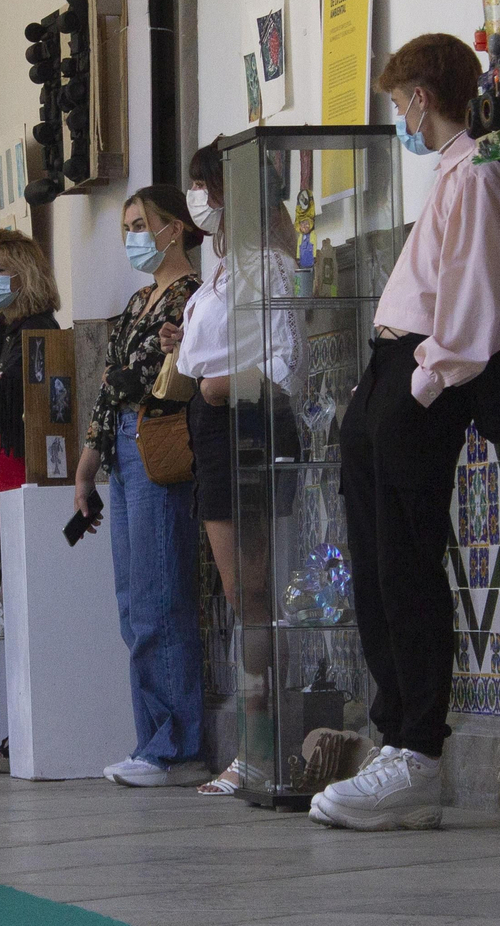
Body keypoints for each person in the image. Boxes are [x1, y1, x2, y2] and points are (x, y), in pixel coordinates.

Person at [304, 33, 500, 831]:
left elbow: (479, 304)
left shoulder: (474, 173)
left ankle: (418, 747)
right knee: (375, 566)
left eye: (398, 100)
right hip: (388, 374)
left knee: (406, 564)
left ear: (420, 99)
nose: (397, 114)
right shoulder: (447, 174)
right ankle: (394, 727)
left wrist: (422, 384)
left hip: (421, 382)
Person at [165, 146, 306, 797]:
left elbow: (285, 367)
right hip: (215, 426)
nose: (196, 197)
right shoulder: (223, 272)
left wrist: (220, 386)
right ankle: (257, 746)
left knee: (254, 596)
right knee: (239, 596)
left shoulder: (268, 267)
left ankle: (263, 746)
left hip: (249, 426)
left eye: (203, 185)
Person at [74, 184, 208, 788]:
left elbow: (169, 375)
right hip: (123, 445)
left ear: (172, 228)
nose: (131, 235)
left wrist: (134, 376)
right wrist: (87, 460)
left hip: (159, 436)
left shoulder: (192, 297)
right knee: (134, 602)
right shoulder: (136, 304)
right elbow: (109, 384)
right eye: (126, 224)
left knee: (161, 593)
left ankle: (176, 744)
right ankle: (150, 735)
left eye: (139, 223)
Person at [0, 229, 61, 495]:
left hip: (28, 460)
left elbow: (1, 400)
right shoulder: (1, 330)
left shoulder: (38, 328)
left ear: (25, 275)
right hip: (3, 455)